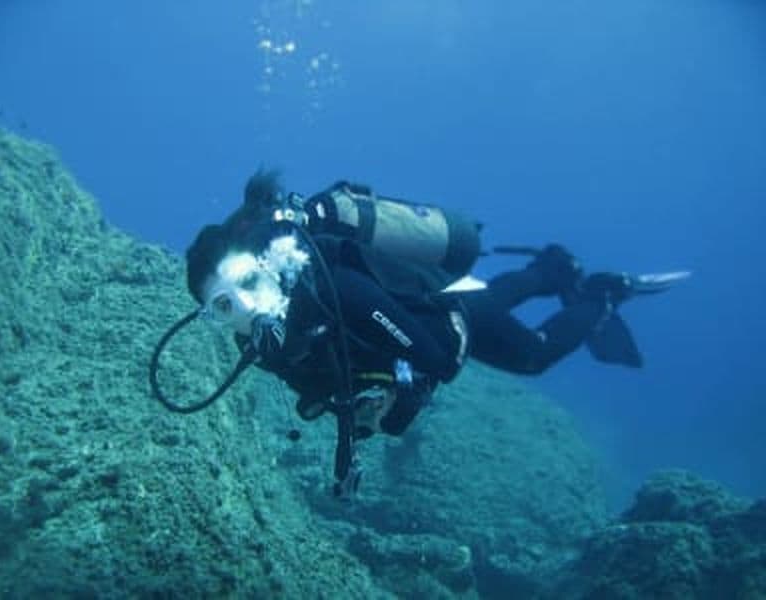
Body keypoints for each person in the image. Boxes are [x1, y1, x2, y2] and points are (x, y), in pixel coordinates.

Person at [151, 169, 688, 495]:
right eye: (224, 306)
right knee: (486, 299)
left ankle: (604, 292)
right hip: (429, 298)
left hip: (442, 319)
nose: (246, 307)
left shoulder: (338, 289)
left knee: (532, 355)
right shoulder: (261, 341)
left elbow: (441, 362)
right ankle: (549, 269)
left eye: (247, 283)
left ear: (269, 266)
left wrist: (396, 393)